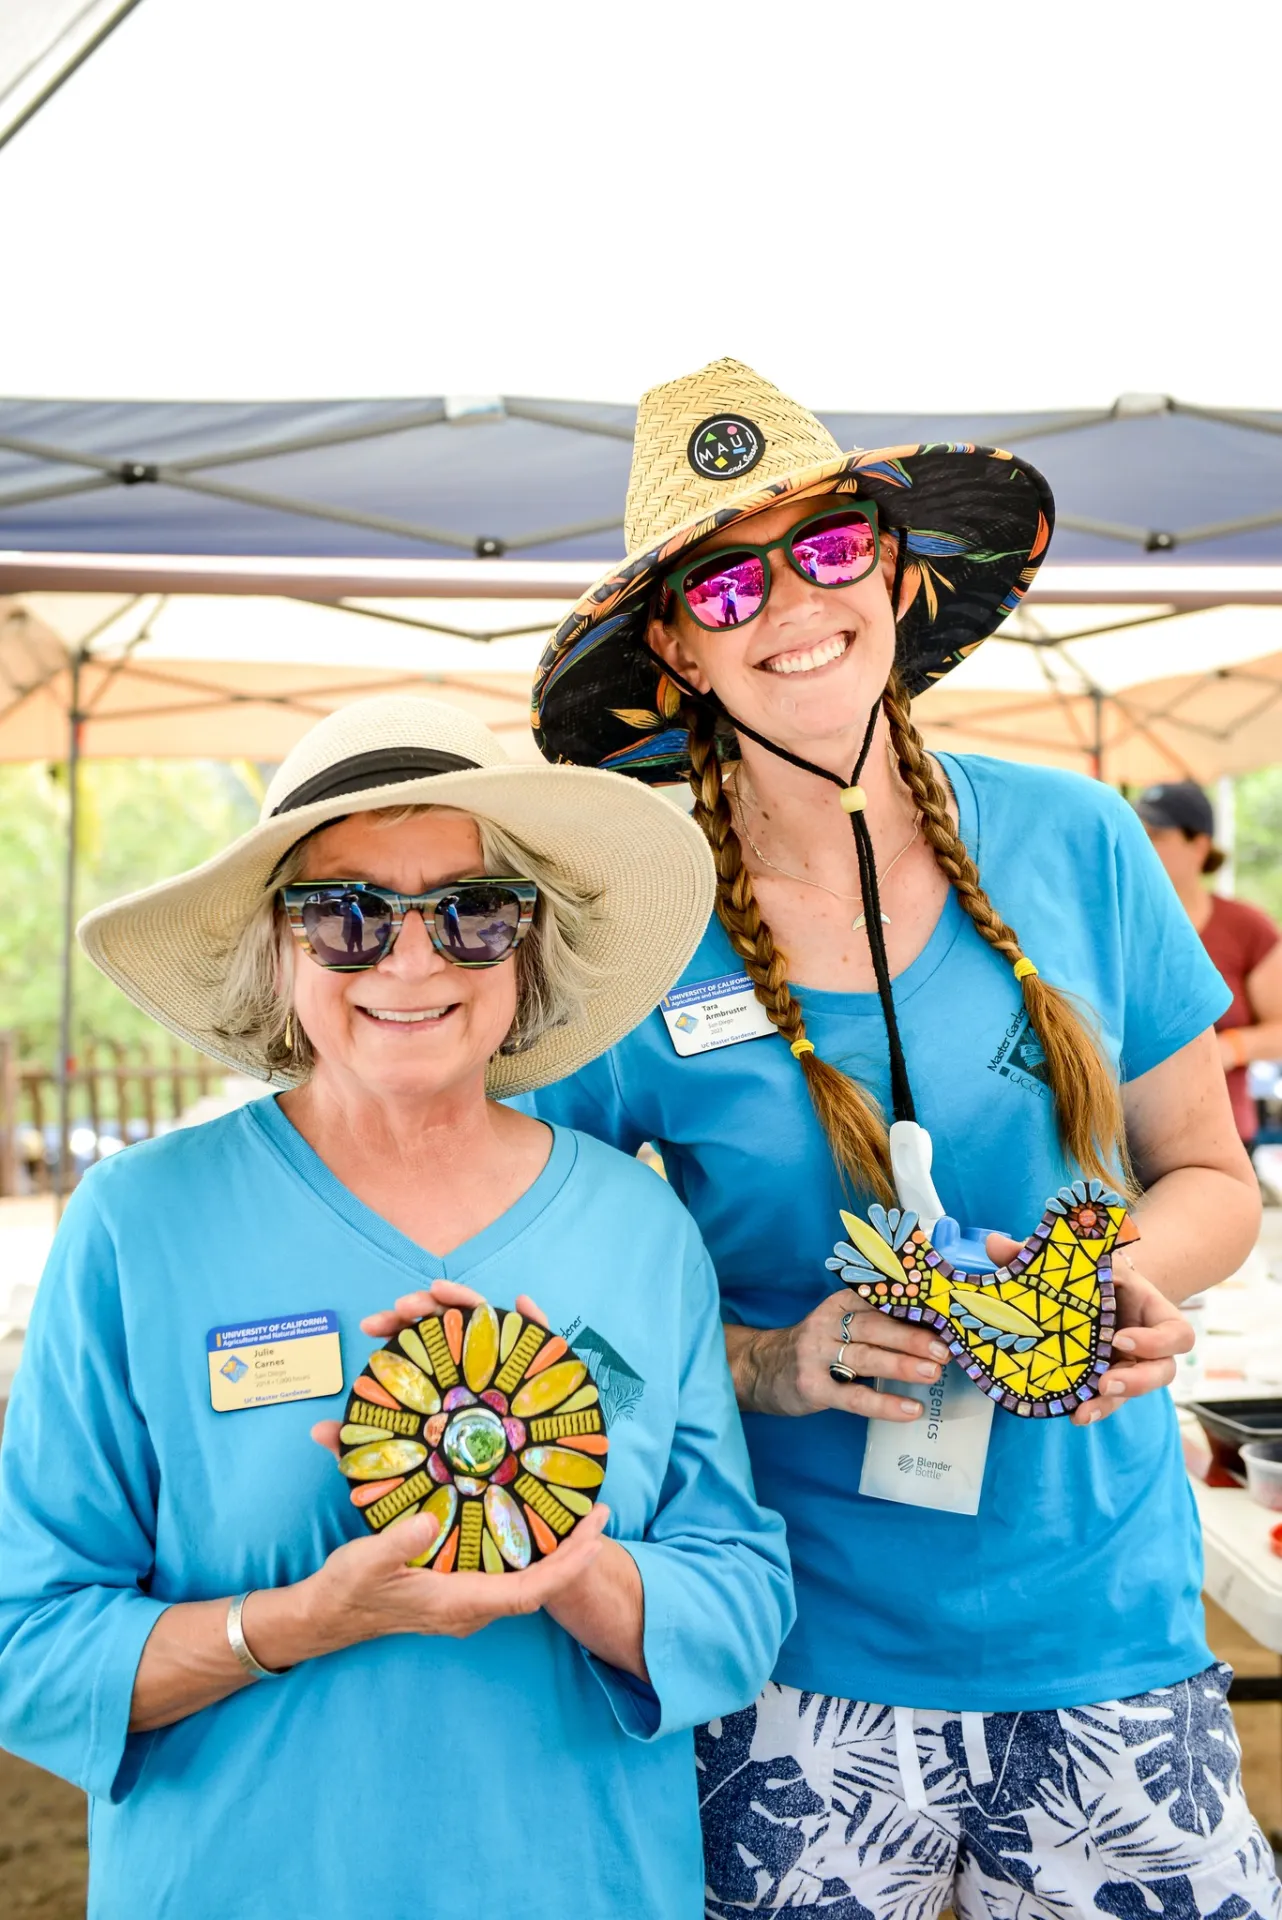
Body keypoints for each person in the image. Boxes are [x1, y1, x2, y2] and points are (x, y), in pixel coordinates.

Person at [526, 360, 1277, 1918]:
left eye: (823, 546)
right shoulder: (628, 938)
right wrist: (767, 1364)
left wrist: (1116, 1276)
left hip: (1109, 1623)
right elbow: (563, 1296)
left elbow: (1209, 1178)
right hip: (795, 1649)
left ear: (891, 563)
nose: (789, 603)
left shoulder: (1074, 839)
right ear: (670, 645)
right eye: (724, 582)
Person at [0, 696, 793, 1920]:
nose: (411, 960)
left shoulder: (639, 1232)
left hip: (578, 1886)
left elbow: (738, 1601)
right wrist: (298, 1622)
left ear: (531, 945)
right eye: (343, 913)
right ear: (277, 948)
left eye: (473, 912)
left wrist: (573, 1564)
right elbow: (29, 1649)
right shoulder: (137, 1222)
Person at [1137, 779, 1282, 1146]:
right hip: (1127, 1139)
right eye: (1135, 832)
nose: (1141, 844)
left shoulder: (1249, 928)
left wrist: (1227, 1049)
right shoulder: (1117, 925)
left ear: (1199, 846)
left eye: (1155, 834)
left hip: (1222, 1140)